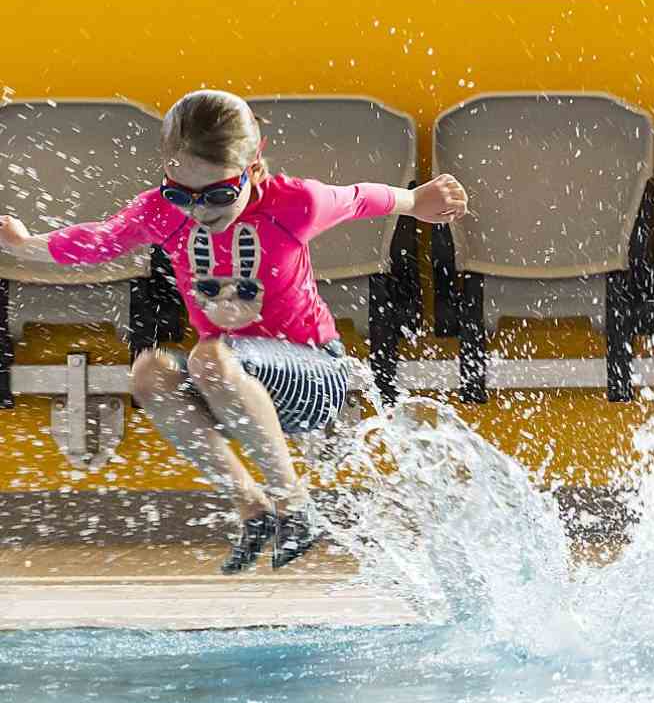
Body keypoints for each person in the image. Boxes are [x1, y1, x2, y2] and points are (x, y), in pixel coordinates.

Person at [0, 90, 469, 573]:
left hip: (316, 377)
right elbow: (100, 241)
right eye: (181, 194)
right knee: (150, 373)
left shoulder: (293, 203)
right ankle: (253, 507)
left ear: (255, 167)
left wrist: (415, 200)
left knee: (209, 356)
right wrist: (24, 245)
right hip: (233, 389)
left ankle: (295, 506)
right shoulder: (161, 213)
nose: (200, 210)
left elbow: (359, 198)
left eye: (219, 194)